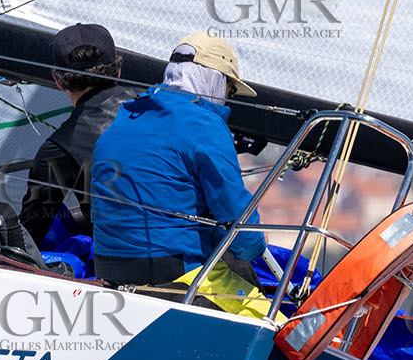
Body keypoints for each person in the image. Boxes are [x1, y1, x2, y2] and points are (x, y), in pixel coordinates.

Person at [90, 32, 265, 287]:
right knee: (277, 322)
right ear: (217, 80)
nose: (229, 98)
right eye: (232, 89)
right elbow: (241, 227)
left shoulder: (127, 113)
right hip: (173, 273)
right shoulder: (205, 123)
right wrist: (255, 248)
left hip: (108, 268)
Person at [17, 23, 138, 251]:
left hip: (125, 269)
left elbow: (28, 238)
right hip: (199, 258)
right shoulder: (164, 106)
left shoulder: (58, 149)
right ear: (118, 69)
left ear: (58, 81)